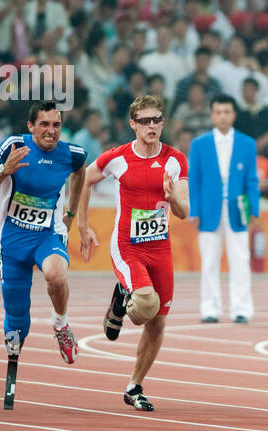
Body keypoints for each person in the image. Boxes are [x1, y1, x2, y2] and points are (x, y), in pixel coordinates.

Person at [78, 95, 190, 411]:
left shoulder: (175, 160)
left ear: (163, 123)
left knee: (157, 323)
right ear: (133, 124)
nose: (151, 126)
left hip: (160, 248)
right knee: (146, 304)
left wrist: (173, 197)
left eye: (156, 120)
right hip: (128, 247)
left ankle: (134, 386)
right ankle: (124, 297)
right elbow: (84, 179)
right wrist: (82, 225)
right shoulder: (118, 158)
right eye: (144, 121)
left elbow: (183, 211)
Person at [0, 100, 87, 370]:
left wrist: (71, 214)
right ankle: (13, 352)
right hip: (13, 240)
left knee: (56, 274)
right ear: (31, 126)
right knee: (16, 317)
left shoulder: (72, 154)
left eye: (56, 125)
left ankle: (60, 323)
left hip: (48, 234)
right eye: (44, 124)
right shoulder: (13, 146)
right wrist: (4, 171)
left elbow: (80, 172)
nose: (51, 131)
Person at [187, 95, 260, 324]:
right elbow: (194, 180)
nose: (223, 116)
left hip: (237, 210)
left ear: (234, 115)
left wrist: (254, 210)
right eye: (218, 112)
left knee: (240, 259)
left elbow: (252, 180)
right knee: (209, 260)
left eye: (227, 112)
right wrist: (194, 210)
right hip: (209, 210)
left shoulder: (247, 144)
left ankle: (242, 308)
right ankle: (210, 308)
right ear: (211, 115)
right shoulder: (199, 144)